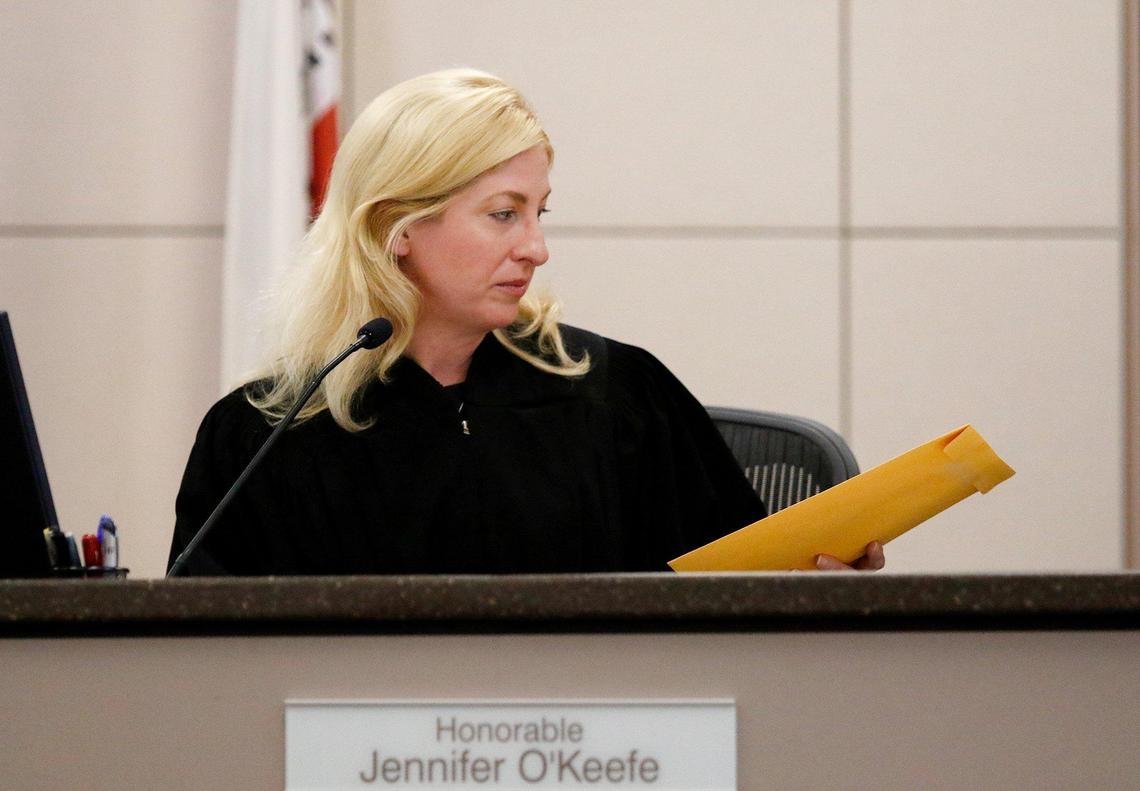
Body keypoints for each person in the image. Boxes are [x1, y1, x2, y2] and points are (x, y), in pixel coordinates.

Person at [168, 68, 884, 576]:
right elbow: (212, 672)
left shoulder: (618, 393)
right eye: (504, 214)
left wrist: (816, 575)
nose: (535, 248)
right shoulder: (265, 432)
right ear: (399, 227)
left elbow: (741, 598)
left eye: (539, 213)